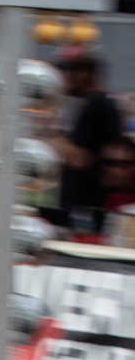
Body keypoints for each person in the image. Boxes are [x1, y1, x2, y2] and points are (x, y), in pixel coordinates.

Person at [46, 50, 123, 234]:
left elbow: (82, 158)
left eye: (71, 70)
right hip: (81, 209)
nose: (66, 77)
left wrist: (50, 129)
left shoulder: (99, 106)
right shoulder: (96, 104)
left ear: (90, 72)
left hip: (85, 211)